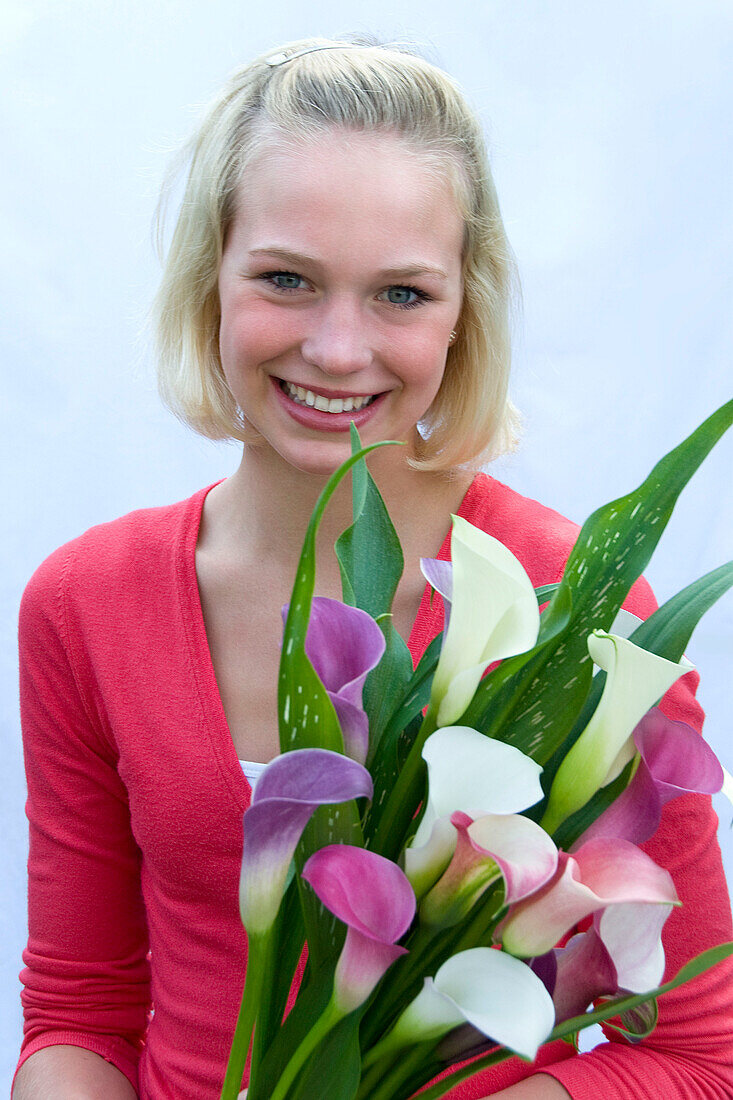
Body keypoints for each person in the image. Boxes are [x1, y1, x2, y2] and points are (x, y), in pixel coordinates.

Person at [13, 35, 733, 1100]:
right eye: (286, 279)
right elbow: (80, 1011)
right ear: (209, 279)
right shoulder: (85, 603)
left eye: (401, 294)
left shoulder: (577, 607)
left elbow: (697, 1054)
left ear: (462, 313)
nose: (339, 349)